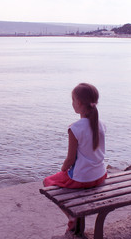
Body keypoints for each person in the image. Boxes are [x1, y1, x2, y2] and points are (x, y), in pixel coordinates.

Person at [43, 82, 107, 234]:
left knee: (47, 181)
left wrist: (63, 169)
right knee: (65, 176)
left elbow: (70, 160)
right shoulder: (102, 124)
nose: (72, 104)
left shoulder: (75, 128)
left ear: (78, 102)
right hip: (100, 175)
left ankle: (71, 217)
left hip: (83, 178)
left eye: (73, 101)